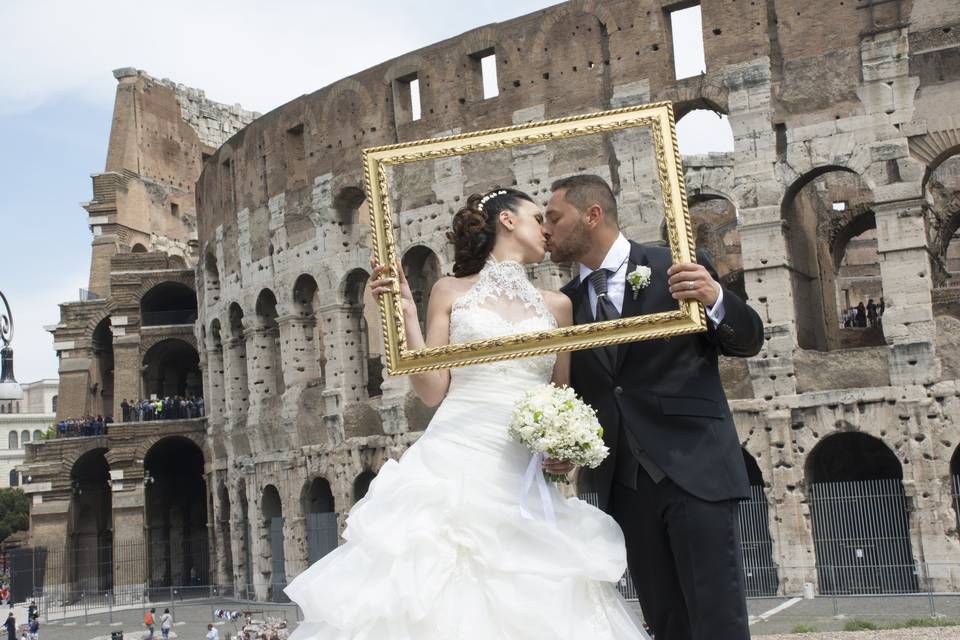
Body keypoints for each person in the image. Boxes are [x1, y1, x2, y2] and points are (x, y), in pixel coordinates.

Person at [284, 188, 649, 638]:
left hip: (523, 474)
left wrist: (564, 453)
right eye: (539, 218)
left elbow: (561, 395)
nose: (547, 229)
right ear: (508, 221)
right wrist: (406, 315)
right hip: (455, 458)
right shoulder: (449, 291)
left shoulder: (559, 305)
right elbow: (432, 389)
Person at [543, 175, 764, 640]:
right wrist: (561, 441)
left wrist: (716, 298)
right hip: (624, 485)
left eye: (554, 217)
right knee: (665, 621)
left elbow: (748, 341)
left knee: (718, 619)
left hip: (695, 469)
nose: (546, 229)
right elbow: (578, 393)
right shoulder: (564, 304)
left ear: (593, 215)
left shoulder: (676, 267)